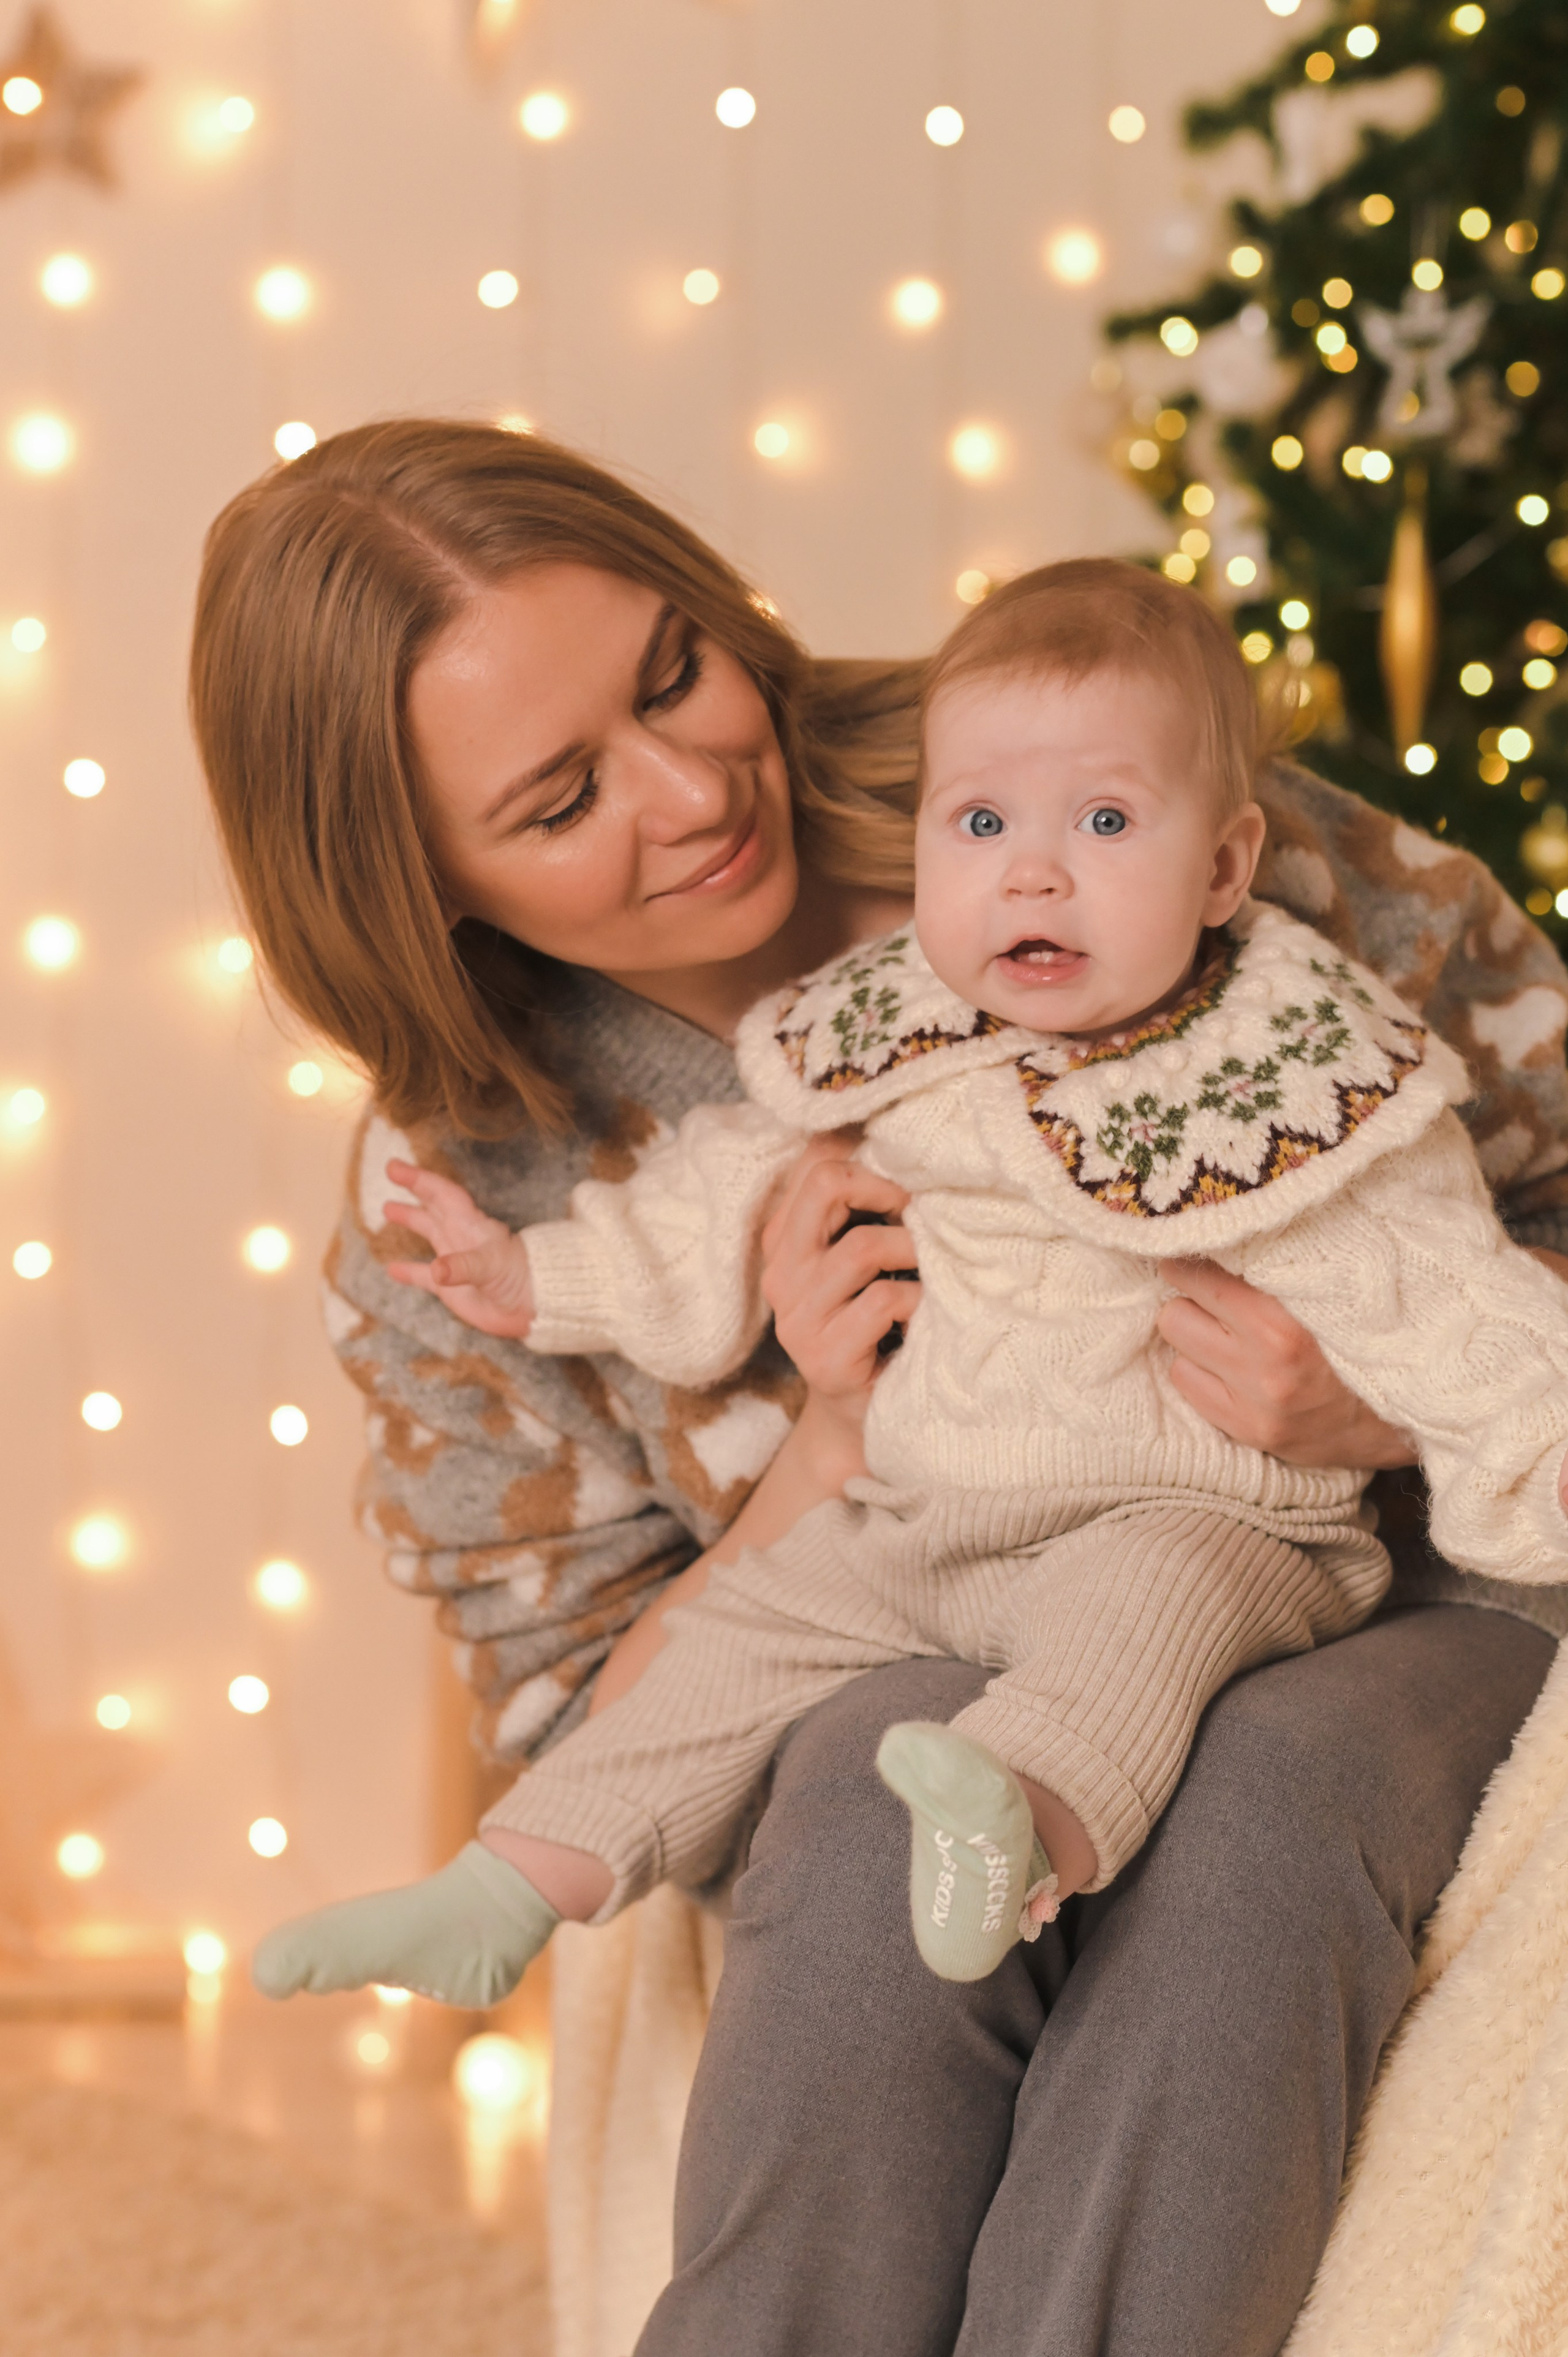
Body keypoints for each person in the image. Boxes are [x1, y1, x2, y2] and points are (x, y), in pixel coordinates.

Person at [190, 420, 1568, 2355]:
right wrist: (824, 1450)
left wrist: (1382, 1401)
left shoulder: (1086, 763)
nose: (690, 787)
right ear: (424, 889)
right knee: (863, 1798)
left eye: (677, 672)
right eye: (569, 792)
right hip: (928, 1614)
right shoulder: (473, 1185)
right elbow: (586, 1708)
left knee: (1262, 1805)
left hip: (1372, 1586)